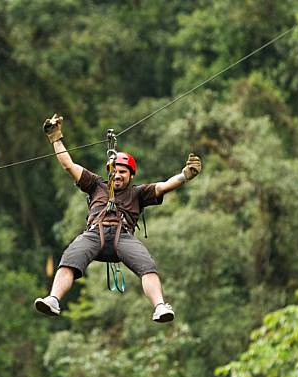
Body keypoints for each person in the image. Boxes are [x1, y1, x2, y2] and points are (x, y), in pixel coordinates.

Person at [34, 114, 202, 323]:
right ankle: (53, 299)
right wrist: (56, 138)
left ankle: (159, 306)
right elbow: (69, 165)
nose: (118, 175)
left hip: (123, 237)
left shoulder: (138, 193)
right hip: (95, 233)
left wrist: (185, 175)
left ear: (131, 175)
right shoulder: (96, 185)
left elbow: (164, 185)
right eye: (115, 171)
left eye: (123, 172)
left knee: (147, 266)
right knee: (69, 259)